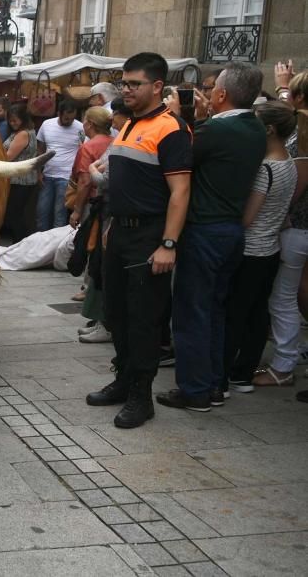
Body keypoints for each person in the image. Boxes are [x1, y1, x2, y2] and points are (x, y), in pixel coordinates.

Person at [86, 52, 192, 429]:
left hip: (149, 234)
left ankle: (141, 396)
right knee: (115, 312)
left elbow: (180, 192)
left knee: (143, 318)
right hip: (120, 230)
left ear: (157, 86)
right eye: (124, 83)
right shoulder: (130, 124)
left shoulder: (171, 129)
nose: (126, 90)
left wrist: (168, 244)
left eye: (134, 84)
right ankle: (124, 379)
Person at [163, 62, 266, 412]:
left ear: (221, 95)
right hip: (231, 230)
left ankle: (194, 391)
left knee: (192, 313)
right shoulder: (255, 128)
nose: (205, 94)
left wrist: (178, 117)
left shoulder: (218, 131)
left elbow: (180, 156)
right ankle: (214, 385)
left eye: (210, 89)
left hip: (205, 230)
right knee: (215, 311)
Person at [223, 102, 297, 391]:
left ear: (269, 130)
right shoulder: (288, 161)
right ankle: (244, 373)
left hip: (252, 250)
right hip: (270, 249)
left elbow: (247, 217)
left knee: (236, 315)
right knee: (256, 314)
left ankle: (230, 373)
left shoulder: (267, 168)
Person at [68, 107, 114, 342]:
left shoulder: (88, 147)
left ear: (89, 125)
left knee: (91, 252)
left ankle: (91, 299)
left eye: (84, 121)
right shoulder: (114, 141)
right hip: (109, 206)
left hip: (96, 205)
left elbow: (85, 182)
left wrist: (76, 211)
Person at [36, 102, 83, 231]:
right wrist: (39, 172)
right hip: (47, 175)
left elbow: (83, 149)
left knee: (60, 215)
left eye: (72, 118)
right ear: (59, 114)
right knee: (42, 212)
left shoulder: (80, 127)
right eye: (67, 118)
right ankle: (40, 243)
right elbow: (40, 148)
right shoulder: (47, 124)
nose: (70, 121)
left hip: (66, 177)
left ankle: (55, 247)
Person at [1, 103, 38, 243]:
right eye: (10, 120)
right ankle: (21, 243)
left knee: (13, 214)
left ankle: (21, 243)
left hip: (20, 179)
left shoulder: (22, 134)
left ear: (23, 118)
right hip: (24, 179)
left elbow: (9, 156)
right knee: (16, 213)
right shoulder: (29, 131)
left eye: (15, 120)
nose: (12, 123)